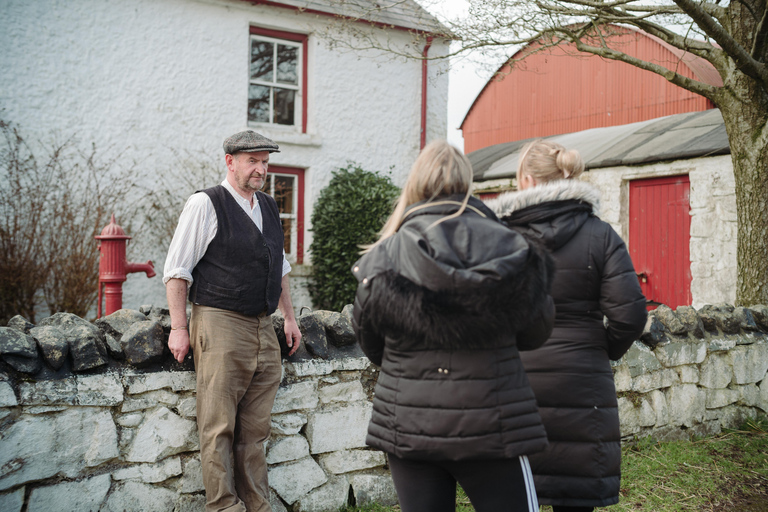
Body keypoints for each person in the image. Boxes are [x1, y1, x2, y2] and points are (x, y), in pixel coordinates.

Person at [351, 139, 556, 512]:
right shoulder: (513, 245)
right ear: (467, 182)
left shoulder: (384, 255)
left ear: (416, 183)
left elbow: (371, 344)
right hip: (491, 422)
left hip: (411, 423)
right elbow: (536, 331)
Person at [486, 139, 648, 512]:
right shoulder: (600, 234)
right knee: (575, 498)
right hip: (583, 380)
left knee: (512, 494)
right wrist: (600, 348)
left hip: (514, 377)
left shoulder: (502, 237)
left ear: (526, 179)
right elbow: (630, 314)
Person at [164, 130, 301, 512]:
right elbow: (177, 271)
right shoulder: (206, 204)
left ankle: (258, 505)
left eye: (265, 161)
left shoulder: (269, 206)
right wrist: (178, 328)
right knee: (218, 426)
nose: (261, 169)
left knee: (255, 431)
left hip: (263, 325)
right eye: (253, 161)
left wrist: (288, 317)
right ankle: (224, 506)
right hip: (219, 322)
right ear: (230, 161)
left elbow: (281, 268)